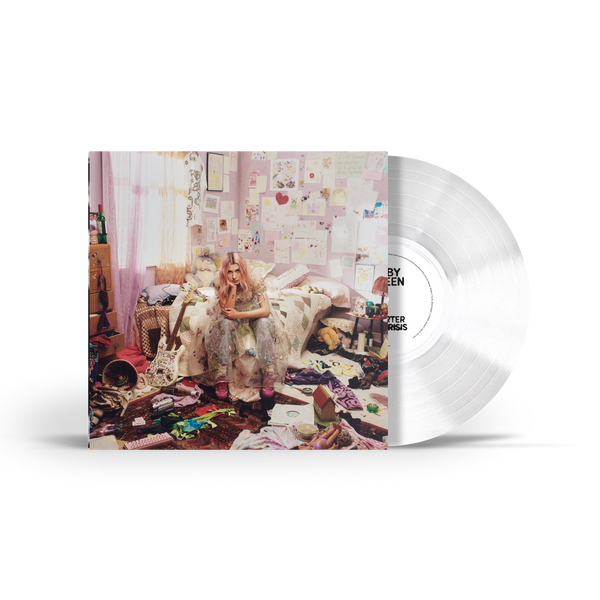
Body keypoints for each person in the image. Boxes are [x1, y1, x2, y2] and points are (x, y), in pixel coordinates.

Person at [198, 252, 288, 400]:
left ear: (243, 270)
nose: (234, 276)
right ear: (224, 272)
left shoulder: (254, 277)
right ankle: (222, 378)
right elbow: (227, 311)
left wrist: (238, 315)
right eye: (230, 272)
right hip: (232, 314)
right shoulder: (220, 280)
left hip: (254, 312)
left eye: (237, 271)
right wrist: (232, 289)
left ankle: (268, 374)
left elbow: (265, 311)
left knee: (264, 323)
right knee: (223, 324)